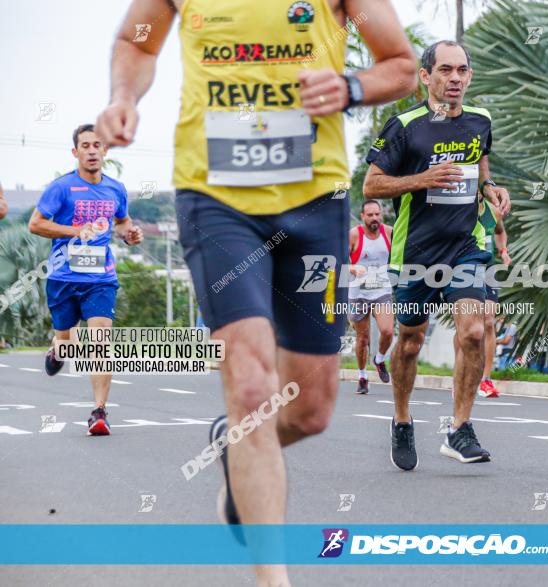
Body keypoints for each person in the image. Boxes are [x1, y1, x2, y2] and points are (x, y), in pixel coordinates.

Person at [96, 2, 415, 585]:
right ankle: (273, 577)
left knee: (311, 409)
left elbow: (400, 65)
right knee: (249, 382)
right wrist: (124, 97)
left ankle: (233, 445)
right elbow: (138, 41)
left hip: (313, 203)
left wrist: (349, 86)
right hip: (215, 198)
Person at [363, 40, 511, 470]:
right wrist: (423, 178)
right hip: (416, 253)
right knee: (408, 344)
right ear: (426, 77)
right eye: (445, 70)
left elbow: (480, 167)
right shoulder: (405, 126)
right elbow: (372, 186)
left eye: (462, 71)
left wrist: (491, 190)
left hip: (465, 248)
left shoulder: (480, 121)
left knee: (473, 333)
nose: (455, 79)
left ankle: (459, 428)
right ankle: (403, 420)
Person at [28, 123, 143, 435]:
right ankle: (57, 348)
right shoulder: (61, 187)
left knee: (101, 341)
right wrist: (74, 231)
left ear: (105, 151)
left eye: (97, 145)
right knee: (65, 337)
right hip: (64, 275)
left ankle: (99, 411)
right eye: (86, 146)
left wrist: (130, 234)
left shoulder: (116, 188)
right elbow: (36, 225)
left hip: (100, 277)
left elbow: (121, 223)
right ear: (75, 152)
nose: (92, 151)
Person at [452, 196, 511, 398]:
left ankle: (485, 379)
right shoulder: (457, 209)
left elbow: (500, 232)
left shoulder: (492, 211)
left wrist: (503, 251)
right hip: (463, 270)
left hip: (488, 270)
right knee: (464, 325)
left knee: (488, 322)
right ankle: (459, 375)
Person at [347, 199, 394, 394]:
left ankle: (380, 359)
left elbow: (399, 255)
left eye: (377, 214)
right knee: (363, 338)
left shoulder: (389, 232)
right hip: (358, 293)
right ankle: (362, 375)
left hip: (381, 290)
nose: (375, 218)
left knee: (388, 331)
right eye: (370, 215)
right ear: (362, 216)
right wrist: (352, 267)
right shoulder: (354, 235)